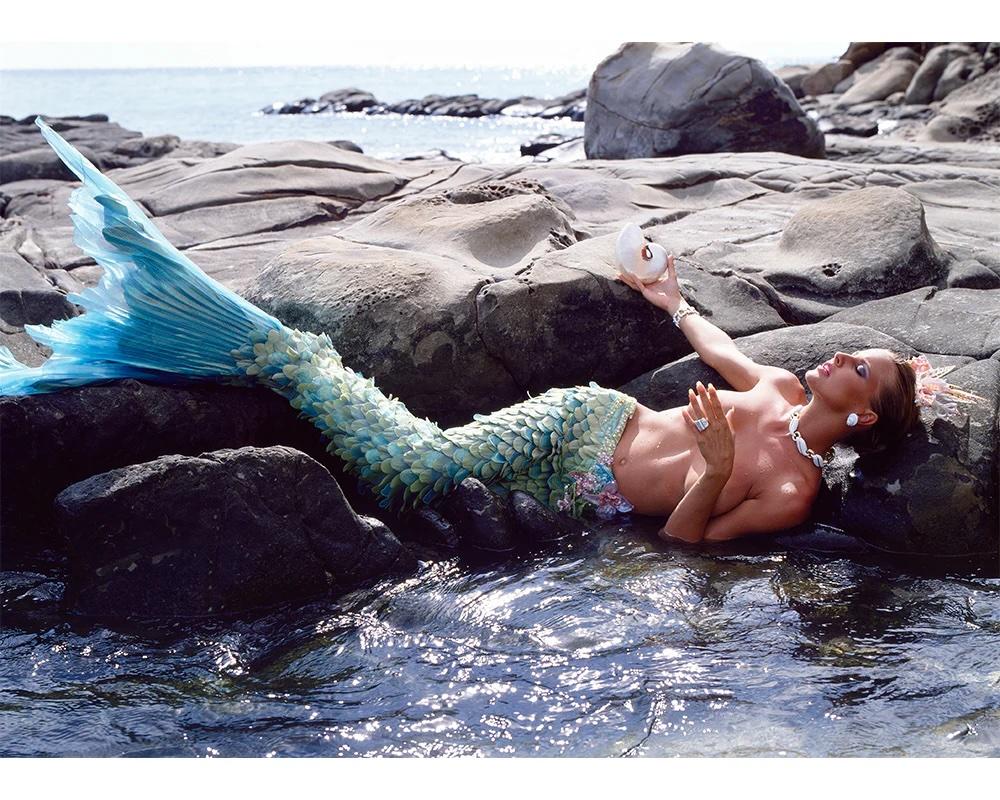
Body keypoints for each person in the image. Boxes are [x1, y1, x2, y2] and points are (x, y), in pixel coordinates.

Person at [1, 119, 983, 546]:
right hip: (585, 419)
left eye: (860, 367)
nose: (837, 354)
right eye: (852, 349)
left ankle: (273, 359)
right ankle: (281, 355)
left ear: (863, 416)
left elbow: (689, 543)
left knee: (418, 477)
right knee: (416, 466)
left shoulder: (791, 490)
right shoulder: (777, 386)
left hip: (590, 490)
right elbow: (717, 346)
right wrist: (670, 296)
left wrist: (715, 467)